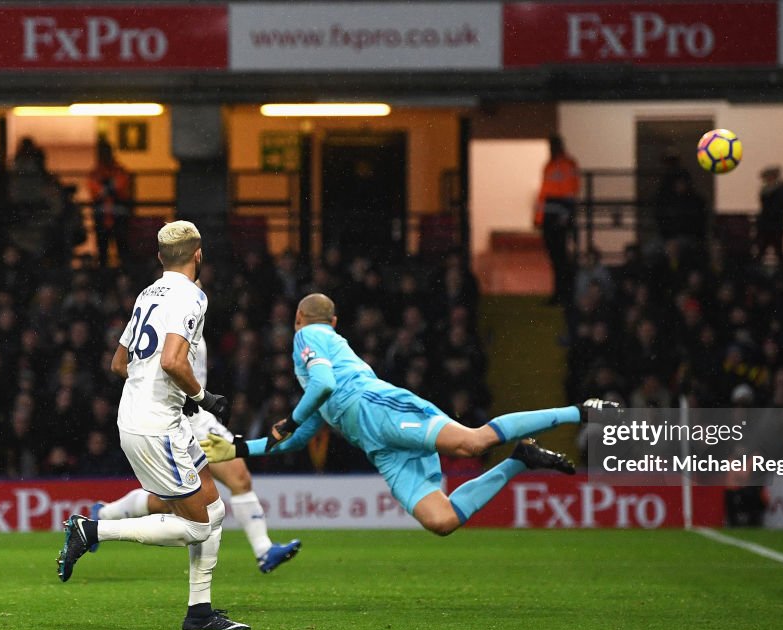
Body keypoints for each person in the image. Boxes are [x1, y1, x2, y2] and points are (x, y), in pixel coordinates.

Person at [201, 293, 619, 537]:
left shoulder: (310, 336)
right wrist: (240, 446)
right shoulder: (315, 363)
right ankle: (521, 459)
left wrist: (289, 419)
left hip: (381, 409)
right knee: (441, 520)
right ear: (335, 318)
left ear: (302, 320)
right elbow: (297, 433)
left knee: (473, 440)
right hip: (381, 447)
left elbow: (323, 387)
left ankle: (580, 411)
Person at [56, 220, 249, 630]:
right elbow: (173, 361)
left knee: (214, 510)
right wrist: (203, 397)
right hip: (156, 426)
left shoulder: (148, 293)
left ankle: (200, 611)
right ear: (199, 254)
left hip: (156, 418)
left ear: (161, 257)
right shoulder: (193, 296)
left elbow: (119, 363)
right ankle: (93, 530)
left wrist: (160, 394)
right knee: (198, 527)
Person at [91, 334, 302, 574]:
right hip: (175, 418)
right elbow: (138, 366)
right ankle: (105, 515)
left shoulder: (190, 316)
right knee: (174, 503)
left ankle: (264, 550)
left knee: (238, 478)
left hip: (197, 415)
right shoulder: (172, 320)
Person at [535, 135, 580, 306]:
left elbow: (570, 193)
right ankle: (559, 294)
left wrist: (564, 217)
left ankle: (563, 294)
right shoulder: (550, 165)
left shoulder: (566, 164)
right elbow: (544, 194)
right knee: (556, 259)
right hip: (549, 217)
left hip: (557, 218)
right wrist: (539, 219)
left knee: (560, 259)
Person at [88, 139, 132, 268]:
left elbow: (122, 186)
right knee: (102, 252)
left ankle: (123, 278)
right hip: (101, 217)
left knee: (122, 250)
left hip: (119, 217)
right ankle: (104, 282)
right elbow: (95, 190)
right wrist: (109, 188)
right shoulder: (96, 172)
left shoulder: (119, 170)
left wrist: (107, 188)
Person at [755, 166, 783, 264]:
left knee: (768, 250)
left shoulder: (779, 189)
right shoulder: (780, 188)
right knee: (776, 251)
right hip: (774, 224)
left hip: (771, 224)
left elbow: (774, 207)